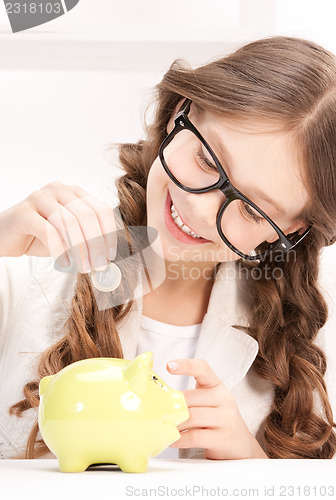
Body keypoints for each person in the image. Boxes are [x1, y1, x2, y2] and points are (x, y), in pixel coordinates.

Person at [1, 35, 336, 462]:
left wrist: (251, 464)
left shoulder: (315, 327)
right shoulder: (29, 259)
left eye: (251, 210)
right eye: (207, 161)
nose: (199, 208)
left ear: (291, 229)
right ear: (180, 110)